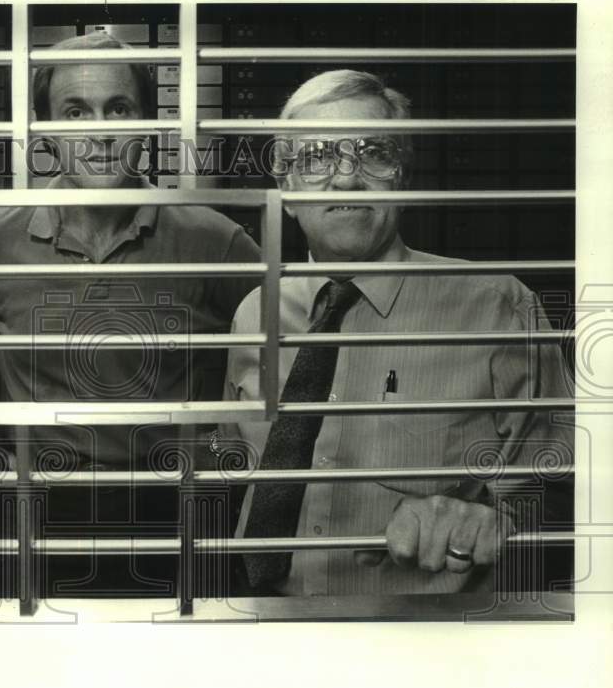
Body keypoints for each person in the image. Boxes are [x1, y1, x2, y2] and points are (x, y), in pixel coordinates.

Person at [224, 69, 574, 597]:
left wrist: (487, 517)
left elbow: (569, 489)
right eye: (316, 158)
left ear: (403, 182)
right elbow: (236, 478)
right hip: (263, 638)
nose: (345, 179)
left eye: (373, 153)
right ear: (287, 194)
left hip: (422, 648)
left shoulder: (499, 309)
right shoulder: (255, 315)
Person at [0, 32, 261, 597]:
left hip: (179, 518)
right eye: (75, 111)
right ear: (43, 129)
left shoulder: (217, 241)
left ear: (147, 122)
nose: (98, 131)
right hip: (35, 518)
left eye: (118, 108)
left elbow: (270, 378)